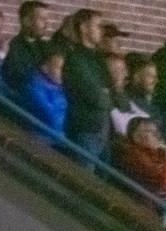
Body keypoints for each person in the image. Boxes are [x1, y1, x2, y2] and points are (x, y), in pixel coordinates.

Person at [62, 8, 114, 159]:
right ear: (84, 28)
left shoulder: (98, 58)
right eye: (97, 26)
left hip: (103, 127)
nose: (101, 31)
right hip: (85, 128)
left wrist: (106, 95)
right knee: (84, 177)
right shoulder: (75, 58)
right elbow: (95, 95)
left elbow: (112, 88)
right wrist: (105, 95)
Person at [113, 117, 166, 199]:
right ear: (136, 136)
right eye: (151, 132)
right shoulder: (132, 153)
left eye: (157, 131)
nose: (157, 135)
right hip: (162, 201)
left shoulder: (156, 153)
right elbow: (161, 178)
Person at [19, 47, 70, 143]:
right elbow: (52, 119)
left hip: (54, 139)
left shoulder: (60, 89)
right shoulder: (34, 86)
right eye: (59, 68)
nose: (63, 73)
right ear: (45, 68)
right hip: (34, 137)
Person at [4, 1, 57, 93]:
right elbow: (17, 81)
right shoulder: (13, 48)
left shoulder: (47, 46)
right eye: (41, 19)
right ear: (26, 21)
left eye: (46, 19)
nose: (46, 25)